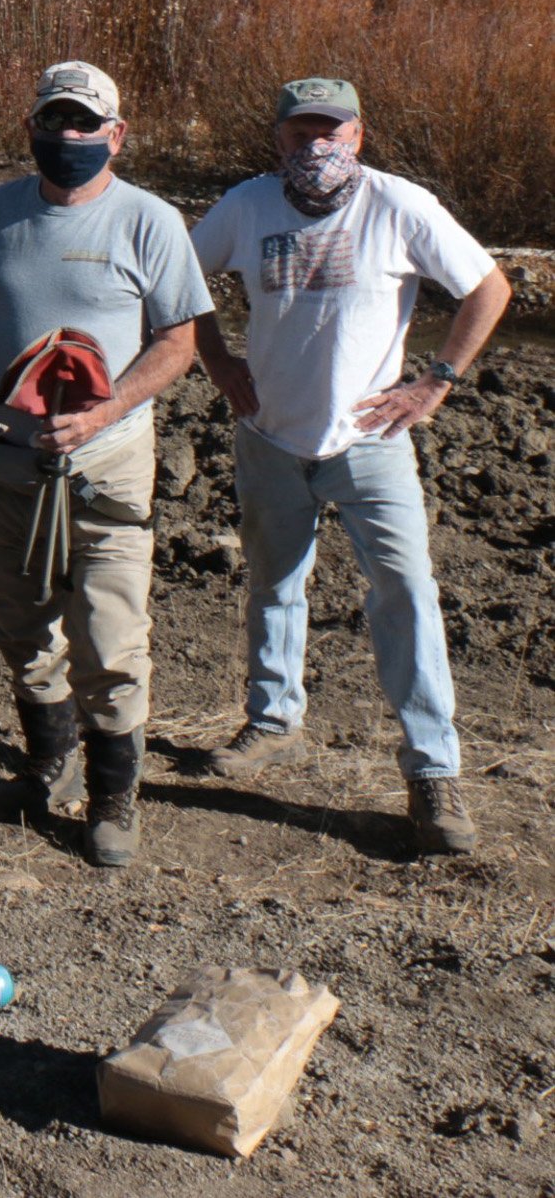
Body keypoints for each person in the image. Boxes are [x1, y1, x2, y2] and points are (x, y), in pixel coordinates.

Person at [190, 78, 512, 855]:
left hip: (370, 439)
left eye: (330, 132)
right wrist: (217, 360)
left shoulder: (400, 206)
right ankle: (274, 722)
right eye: (300, 133)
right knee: (274, 581)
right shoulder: (245, 206)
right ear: (278, 139)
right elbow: (179, 279)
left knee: (406, 591)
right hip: (269, 434)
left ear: (358, 136)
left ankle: (433, 771)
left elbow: (488, 287)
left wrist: (435, 381)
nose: (315, 147)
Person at [0, 61, 211, 868]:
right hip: (9, 460)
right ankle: (47, 764)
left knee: (109, 634)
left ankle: (114, 795)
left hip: (107, 463)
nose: (69, 135)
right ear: (31, 128)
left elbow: (178, 342)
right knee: (19, 624)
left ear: (115, 135)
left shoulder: (150, 221)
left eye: (85, 123)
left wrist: (103, 411)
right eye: (55, 120)